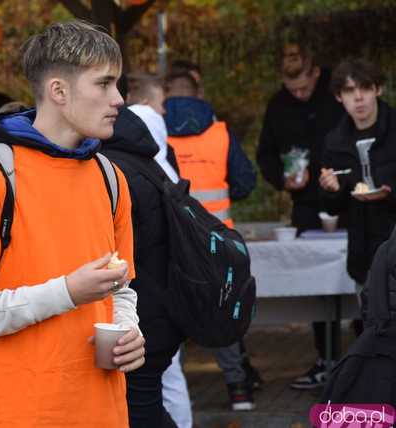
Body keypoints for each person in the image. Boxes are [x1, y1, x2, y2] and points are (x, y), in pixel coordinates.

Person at [0, 20, 145, 428]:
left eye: (117, 84)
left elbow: (121, 290)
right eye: (103, 84)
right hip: (8, 413)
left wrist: (128, 331)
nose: (118, 99)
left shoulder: (110, 177)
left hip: (100, 411)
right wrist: (66, 292)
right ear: (59, 92)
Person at [164, 69, 258, 411]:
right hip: (215, 239)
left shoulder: (153, 130)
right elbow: (246, 182)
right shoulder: (220, 133)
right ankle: (238, 389)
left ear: (164, 94)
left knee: (170, 310)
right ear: (198, 93)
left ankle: (175, 394)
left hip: (172, 238)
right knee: (219, 306)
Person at [103, 75, 192, 428]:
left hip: (138, 321)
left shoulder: (113, 170)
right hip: (157, 313)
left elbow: (118, 257)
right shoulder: (147, 159)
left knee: (140, 411)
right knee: (152, 401)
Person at [257, 43, 347, 390]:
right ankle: (325, 357)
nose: (298, 94)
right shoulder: (279, 105)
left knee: (356, 277)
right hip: (306, 205)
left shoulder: (337, 97)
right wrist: (282, 179)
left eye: (304, 88)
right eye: (291, 89)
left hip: (349, 199)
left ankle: (367, 354)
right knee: (316, 281)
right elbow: (266, 154)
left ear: (316, 74)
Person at [320, 58, 396, 309]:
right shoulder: (335, 141)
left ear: (378, 89)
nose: (359, 98)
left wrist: (390, 194)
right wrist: (333, 189)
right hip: (364, 259)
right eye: (350, 91)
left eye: (364, 88)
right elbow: (332, 208)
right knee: (374, 334)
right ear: (339, 97)